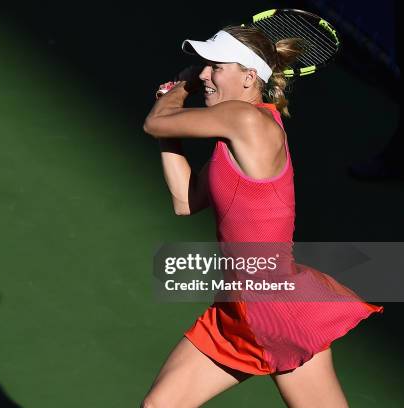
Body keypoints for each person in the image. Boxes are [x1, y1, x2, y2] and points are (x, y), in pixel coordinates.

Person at [142, 26, 384, 407]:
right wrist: (168, 128)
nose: (204, 73)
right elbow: (186, 200)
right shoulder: (233, 134)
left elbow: (155, 121)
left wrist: (180, 89)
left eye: (214, 66)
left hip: (275, 309)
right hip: (237, 311)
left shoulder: (244, 118)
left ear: (249, 77)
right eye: (203, 66)